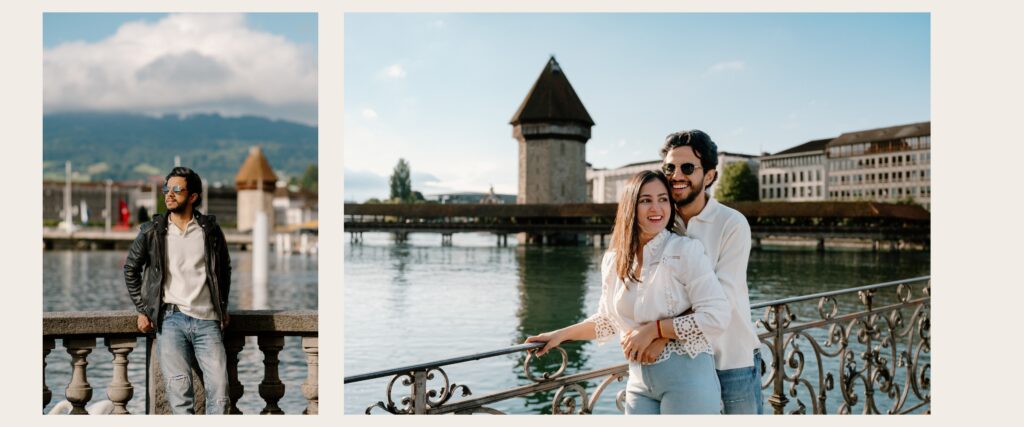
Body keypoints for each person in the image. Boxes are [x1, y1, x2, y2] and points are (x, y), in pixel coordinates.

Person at [526, 170, 731, 414]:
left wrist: (654, 331)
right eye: (645, 200)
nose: (656, 208)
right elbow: (607, 321)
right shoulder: (614, 260)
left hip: (688, 378)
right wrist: (559, 335)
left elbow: (717, 316)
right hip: (638, 382)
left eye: (663, 199)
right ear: (630, 207)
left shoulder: (685, 250)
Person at [638, 129, 763, 414]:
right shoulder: (661, 223)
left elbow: (722, 298)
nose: (676, 175)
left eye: (687, 168)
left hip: (730, 362)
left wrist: (658, 335)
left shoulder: (732, 223)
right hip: (682, 365)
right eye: (669, 168)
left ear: (709, 176)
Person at [124, 167, 232, 414]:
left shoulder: (210, 231)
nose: (168, 194)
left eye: (176, 189)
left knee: (220, 389)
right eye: (166, 189)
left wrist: (223, 306)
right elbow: (131, 269)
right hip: (170, 320)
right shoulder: (152, 231)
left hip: (208, 321)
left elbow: (224, 269)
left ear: (193, 196)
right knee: (179, 393)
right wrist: (143, 309)